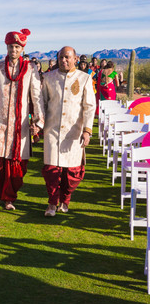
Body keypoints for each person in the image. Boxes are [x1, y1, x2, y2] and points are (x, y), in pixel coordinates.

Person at [0, 29, 44, 210]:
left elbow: (36, 97)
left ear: (22, 48)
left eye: (17, 46)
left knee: (15, 165)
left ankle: (9, 198)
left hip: (19, 125)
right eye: (10, 46)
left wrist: (38, 122)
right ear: (6, 47)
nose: (13, 50)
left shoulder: (30, 69)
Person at [41, 47, 95, 216]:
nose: (64, 60)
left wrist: (87, 130)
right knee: (51, 171)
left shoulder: (84, 78)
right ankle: (51, 203)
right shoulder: (48, 77)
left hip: (74, 131)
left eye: (67, 57)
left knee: (71, 173)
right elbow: (42, 103)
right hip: (52, 130)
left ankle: (65, 200)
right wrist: (39, 124)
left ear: (75, 58)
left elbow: (89, 107)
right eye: (61, 57)